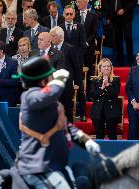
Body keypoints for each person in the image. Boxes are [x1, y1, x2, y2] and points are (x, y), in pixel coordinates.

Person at [12, 56, 100, 188]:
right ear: (43, 81)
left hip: (55, 165)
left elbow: (64, 126)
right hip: (38, 168)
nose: (52, 78)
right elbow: (49, 94)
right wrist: (58, 82)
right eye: (50, 76)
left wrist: (85, 141)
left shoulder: (49, 101)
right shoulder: (30, 96)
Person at [50, 26, 82, 123]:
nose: (51, 38)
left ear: (60, 37)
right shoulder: (50, 50)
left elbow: (76, 67)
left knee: (67, 108)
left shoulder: (70, 48)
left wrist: (77, 82)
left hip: (66, 84)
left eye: (53, 36)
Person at [90, 58, 121, 139]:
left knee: (112, 134)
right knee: (99, 135)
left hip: (112, 111)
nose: (106, 68)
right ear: (100, 68)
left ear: (111, 67)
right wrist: (102, 87)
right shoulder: (95, 80)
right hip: (97, 111)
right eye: (104, 66)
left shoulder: (116, 80)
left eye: (108, 66)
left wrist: (107, 86)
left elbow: (114, 94)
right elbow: (93, 95)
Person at [109, 0, 137, 66]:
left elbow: (134, 2)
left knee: (128, 38)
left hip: (126, 16)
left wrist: (124, 10)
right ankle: (120, 61)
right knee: (117, 40)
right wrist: (109, 17)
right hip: (114, 17)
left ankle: (130, 60)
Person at [0, 40, 21, 107]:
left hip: (7, 98)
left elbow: (15, 81)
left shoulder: (12, 63)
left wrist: (0, 81)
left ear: (1, 51)